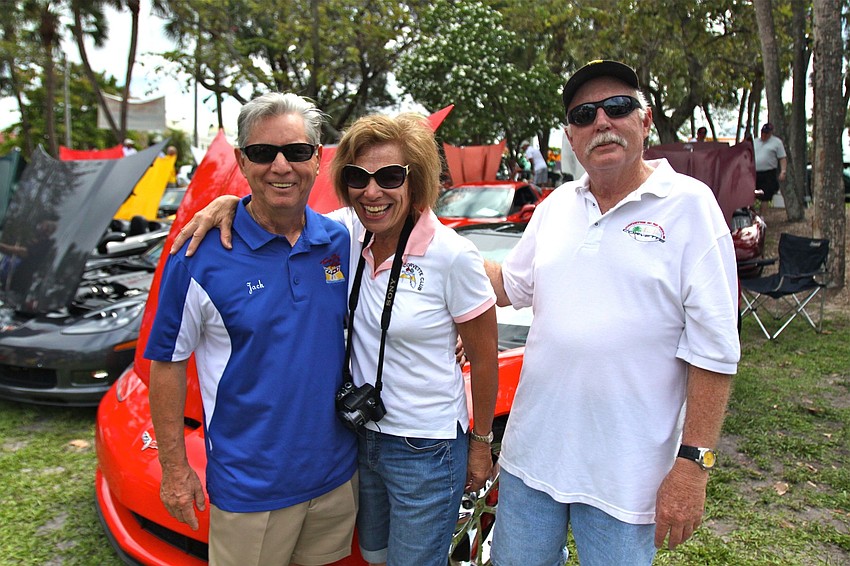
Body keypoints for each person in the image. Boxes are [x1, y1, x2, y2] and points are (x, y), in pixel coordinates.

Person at [171, 112, 500, 566]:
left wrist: (481, 444)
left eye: (390, 176)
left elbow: (484, 358)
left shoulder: (451, 254)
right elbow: (278, 211)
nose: (372, 191)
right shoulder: (346, 233)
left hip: (426, 447)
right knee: (374, 556)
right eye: (357, 177)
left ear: (416, 179)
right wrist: (229, 203)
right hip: (361, 439)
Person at [486, 60, 741, 566]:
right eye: (583, 115)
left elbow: (715, 351)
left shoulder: (691, 207)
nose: (601, 121)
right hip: (531, 459)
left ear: (645, 121)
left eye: (617, 107)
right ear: (570, 137)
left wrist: (693, 465)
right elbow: (508, 286)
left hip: (627, 477)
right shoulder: (556, 206)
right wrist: (431, 249)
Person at [145, 92, 358, 566]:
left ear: (316, 159)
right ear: (242, 161)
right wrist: (175, 469)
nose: (281, 166)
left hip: (336, 478)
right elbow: (167, 364)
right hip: (251, 490)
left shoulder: (338, 240)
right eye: (263, 152)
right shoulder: (198, 256)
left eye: (296, 151)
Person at [753, 122, 787, 203]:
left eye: (766, 133)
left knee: (766, 196)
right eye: (762, 132)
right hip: (754, 172)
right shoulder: (755, 142)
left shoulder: (777, 142)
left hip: (768, 173)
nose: (764, 135)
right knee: (752, 193)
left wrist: (783, 171)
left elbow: (782, 158)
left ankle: (763, 211)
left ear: (770, 133)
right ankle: (751, 210)